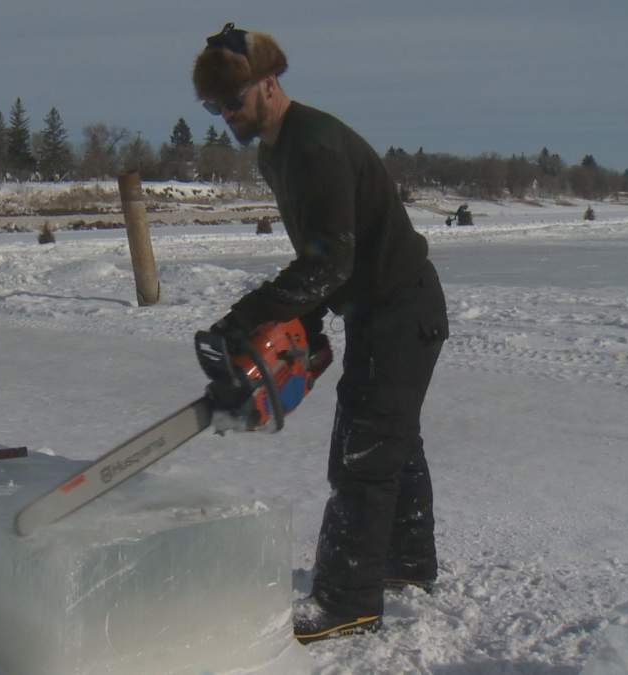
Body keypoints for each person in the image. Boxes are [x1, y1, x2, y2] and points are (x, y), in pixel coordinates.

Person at [192, 23, 449, 644]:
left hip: (401, 308)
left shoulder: (315, 146)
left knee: (363, 454)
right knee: (390, 438)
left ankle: (346, 603)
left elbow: (330, 260)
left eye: (233, 100)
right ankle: (404, 565)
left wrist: (249, 315)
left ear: (270, 83)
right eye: (213, 105)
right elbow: (329, 259)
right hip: (374, 307)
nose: (226, 114)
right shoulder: (277, 148)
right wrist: (300, 317)